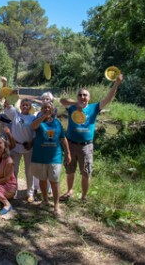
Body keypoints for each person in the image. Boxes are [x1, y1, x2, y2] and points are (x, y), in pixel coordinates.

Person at [59, 75, 123, 203]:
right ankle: (69, 191)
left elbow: (108, 98)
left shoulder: (94, 107)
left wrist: (116, 84)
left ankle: (84, 196)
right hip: (71, 144)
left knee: (86, 172)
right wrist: (76, 103)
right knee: (70, 170)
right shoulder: (71, 107)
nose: (83, 97)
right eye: (80, 95)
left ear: (89, 97)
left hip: (86, 146)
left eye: (85, 95)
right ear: (77, 97)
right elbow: (62, 100)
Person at [31, 102, 71, 215]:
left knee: (54, 181)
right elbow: (33, 127)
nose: (46, 109)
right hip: (40, 157)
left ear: (53, 110)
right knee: (42, 180)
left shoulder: (57, 123)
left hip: (55, 158)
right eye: (44, 108)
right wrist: (43, 116)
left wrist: (68, 153)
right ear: (41, 110)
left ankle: (56, 205)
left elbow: (63, 139)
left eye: (49, 108)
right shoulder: (38, 122)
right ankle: (45, 200)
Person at [4, 98, 37, 203]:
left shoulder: (33, 118)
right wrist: (6, 89)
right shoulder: (15, 115)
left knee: (29, 171)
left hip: (28, 147)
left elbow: (36, 133)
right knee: (14, 171)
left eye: (27, 105)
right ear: (20, 106)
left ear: (30, 107)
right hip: (15, 146)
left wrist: (32, 142)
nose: (25, 106)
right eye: (23, 104)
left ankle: (30, 193)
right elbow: (7, 103)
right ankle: (13, 191)